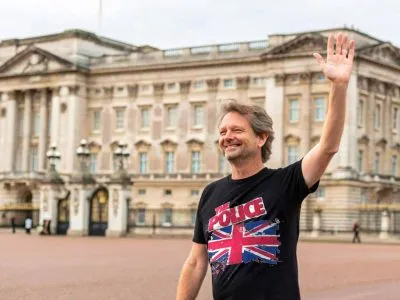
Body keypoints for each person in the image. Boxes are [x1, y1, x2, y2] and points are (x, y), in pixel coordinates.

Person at [176, 33, 355, 300]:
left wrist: (338, 86)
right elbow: (196, 262)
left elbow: (328, 146)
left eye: (237, 130)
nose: (227, 136)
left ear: (261, 138)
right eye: (223, 131)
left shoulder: (286, 183)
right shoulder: (210, 193)